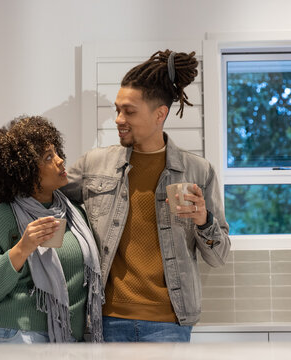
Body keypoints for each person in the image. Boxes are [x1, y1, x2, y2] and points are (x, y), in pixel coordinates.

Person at [61, 50, 231, 342]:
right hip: (106, 319)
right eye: (117, 109)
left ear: (159, 114)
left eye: (129, 111)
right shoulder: (94, 165)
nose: (118, 119)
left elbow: (219, 255)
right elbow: (47, 195)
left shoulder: (198, 171)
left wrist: (204, 220)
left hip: (170, 323)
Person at [0, 116, 103, 344]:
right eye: (48, 157)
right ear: (25, 171)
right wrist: (22, 248)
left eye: (57, 152)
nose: (60, 161)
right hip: (13, 337)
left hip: (65, 341)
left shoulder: (75, 215)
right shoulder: (3, 219)